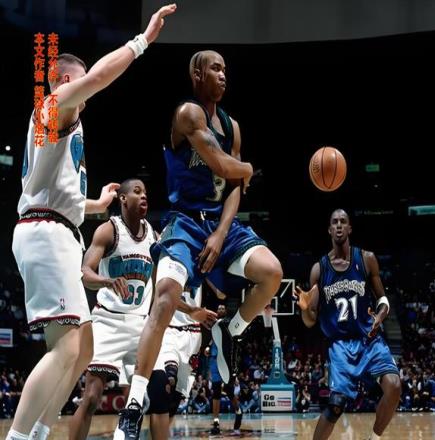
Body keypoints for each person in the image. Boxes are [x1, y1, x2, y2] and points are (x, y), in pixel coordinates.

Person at [8, 6, 177, 440]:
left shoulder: (62, 124)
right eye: (80, 80)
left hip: (56, 228)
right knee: (67, 346)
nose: (88, 88)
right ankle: (19, 436)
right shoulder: (54, 104)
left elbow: (55, 196)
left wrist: (97, 204)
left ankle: (39, 432)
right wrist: (142, 41)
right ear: (66, 81)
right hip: (46, 234)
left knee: (82, 349)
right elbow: (101, 76)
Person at [115, 50, 282, 439]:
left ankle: (232, 329)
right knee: (165, 296)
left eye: (226, 70)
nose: (223, 75)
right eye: (216, 68)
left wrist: (221, 233)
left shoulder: (232, 126)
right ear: (197, 73)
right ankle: (134, 403)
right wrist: (247, 169)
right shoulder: (187, 114)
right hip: (185, 222)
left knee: (272, 273)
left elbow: (235, 190)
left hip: (221, 224)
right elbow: (225, 168)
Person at [294, 209, 401, 440]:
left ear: (350, 228)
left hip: (369, 339)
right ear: (329, 230)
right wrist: (304, 308)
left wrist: (380, 316)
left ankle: (374, 438)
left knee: (393, 385)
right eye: (335, 222)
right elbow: (310, 321)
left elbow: (383, 299)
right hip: (341, 345)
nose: (339, 225)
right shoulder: (319, 269)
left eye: (343, 221)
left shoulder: (366, 259)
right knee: (336, 405)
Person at [68, 178, 157, 440]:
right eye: (137, 192)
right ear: (123, 199)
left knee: (146, 400)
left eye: (145, 192)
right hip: (108, 321)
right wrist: (107, 281)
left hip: (141, 324)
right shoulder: (109, 230)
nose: (144, 196)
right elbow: (84, 272)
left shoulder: (154, 236)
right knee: (92, 397)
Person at [146, 284, 217, 440]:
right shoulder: (165, 268)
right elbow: (161, 294)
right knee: (166, 382)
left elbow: (221, 293)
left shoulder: (204, 271)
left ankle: (160, 435)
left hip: (192, 334)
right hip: (168, 327)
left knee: (175, 399)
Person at [205, 304, 243, 435]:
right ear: (217, 311)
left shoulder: (228, 323)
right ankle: (216, 423)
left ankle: (239, 411)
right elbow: (213, 339)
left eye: (222, 308)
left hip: (226, 360)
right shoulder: (214, 325)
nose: (220, 310)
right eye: (219, 308)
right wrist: (208, 346)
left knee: (228, 390)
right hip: (214, 359)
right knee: (216, 391)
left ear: (225, 311)